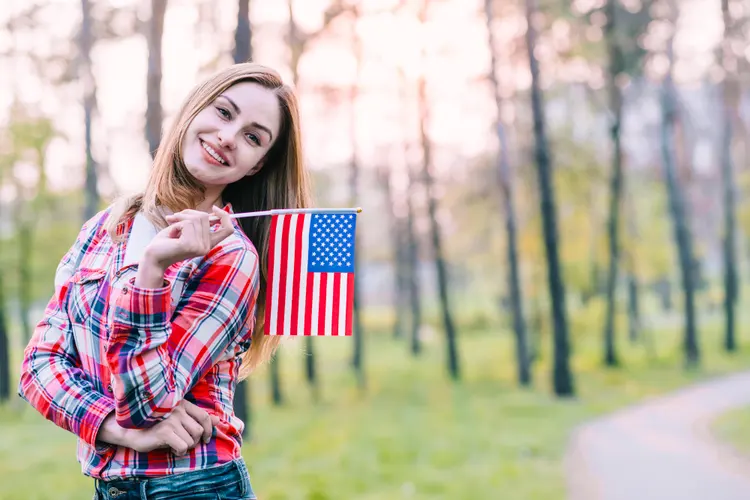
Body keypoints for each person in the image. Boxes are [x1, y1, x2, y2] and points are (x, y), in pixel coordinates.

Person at [18, 62, 310, 500]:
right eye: (224, 113)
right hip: (111, 487)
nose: (228, 137)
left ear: (256, 166)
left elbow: (150, 402)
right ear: (193, 111)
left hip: (195, 484)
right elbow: (38, 367)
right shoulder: (103, 230)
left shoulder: (231, 257)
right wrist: (114, 427)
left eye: (253, 137)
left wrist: (152, 273)